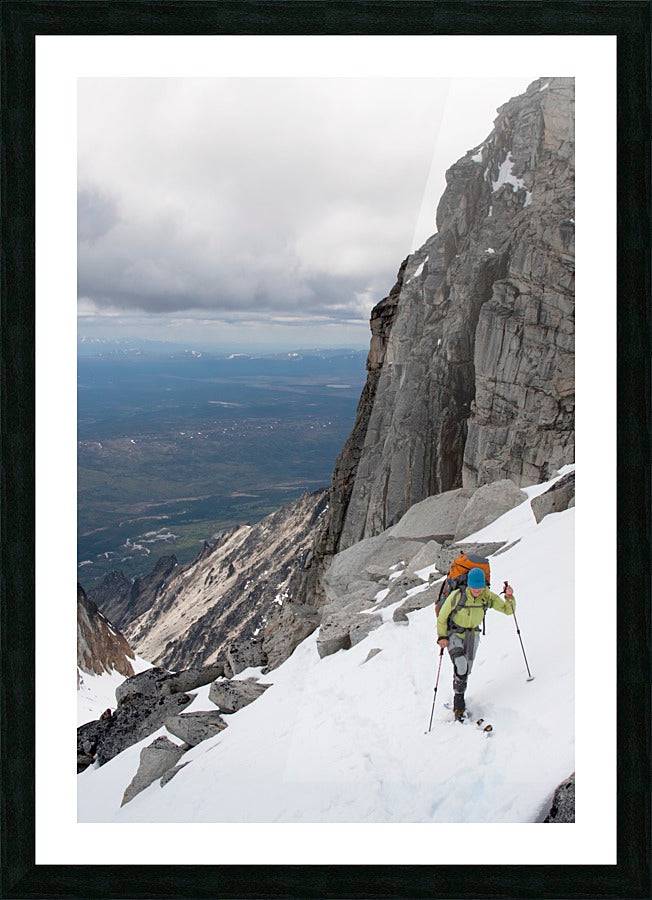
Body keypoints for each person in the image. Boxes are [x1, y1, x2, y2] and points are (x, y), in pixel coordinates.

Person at [436, 567, 515, 720]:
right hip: (454, 633)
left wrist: (510, 597)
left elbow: (507, 610)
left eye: (480, 588)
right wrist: (442, 637)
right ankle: (459, 704)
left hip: (473, 636)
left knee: (466, 670)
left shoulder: (487, 597)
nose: (477, 591)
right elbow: (442, 617)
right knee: (461, 664)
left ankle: (459, 688)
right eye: (474, 588)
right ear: (469, 585)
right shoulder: (457, 596)